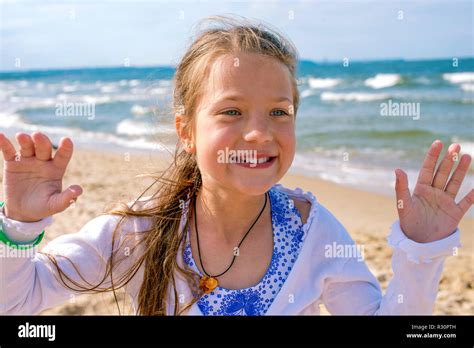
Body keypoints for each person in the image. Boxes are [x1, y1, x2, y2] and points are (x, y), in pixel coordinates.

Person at [0, 17, 472, 316]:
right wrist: (21, 226)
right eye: (231, 112)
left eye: (279, 112)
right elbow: (17, 301)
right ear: (186, 130)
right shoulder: (138, 230)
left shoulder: (315, 233)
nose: (260, 134)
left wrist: (422, 252)